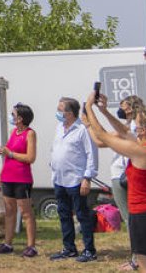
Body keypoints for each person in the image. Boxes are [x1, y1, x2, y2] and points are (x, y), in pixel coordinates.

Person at [84, 92, 146, 273]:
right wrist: (104, 111)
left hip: (145, 216)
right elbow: (124, 131)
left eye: (138, 125)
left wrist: (89, 109)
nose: (133, 128)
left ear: (142, 131)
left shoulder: (141, 152)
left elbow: (103, 137)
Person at [49, 97, 98, 263]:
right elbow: (55, 148)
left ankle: (89, 250)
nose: (57, 112)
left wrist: (87, 177)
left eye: (60, 109)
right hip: (59, 178)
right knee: (63, 214)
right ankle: (69, 248)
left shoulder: (82, 130)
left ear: (69, 113)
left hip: (76, 179)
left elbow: (92, 154)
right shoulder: (59, 128)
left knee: (82, 215)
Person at [0, 103, 39, 257]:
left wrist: (11, 153)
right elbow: (7, 156)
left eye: (13, 115)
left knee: (26, 213)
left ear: (20, 118)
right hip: (8, 177)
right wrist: (0, 174)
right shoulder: (14, 132)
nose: (11, 117)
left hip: (22, 178)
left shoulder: (30, 134)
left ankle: (31, 246)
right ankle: (7, 243)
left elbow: (30, 158)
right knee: (9, 211)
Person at [108, 95, 146, 271]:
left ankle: (137, 258)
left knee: (131, 219)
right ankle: (138, 256)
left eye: (123, 106)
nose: (120, 109)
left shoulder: (136, 124)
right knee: (133, 219)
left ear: (131, 108)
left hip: (125, 174)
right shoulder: (128, 125)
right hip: (123, 173)